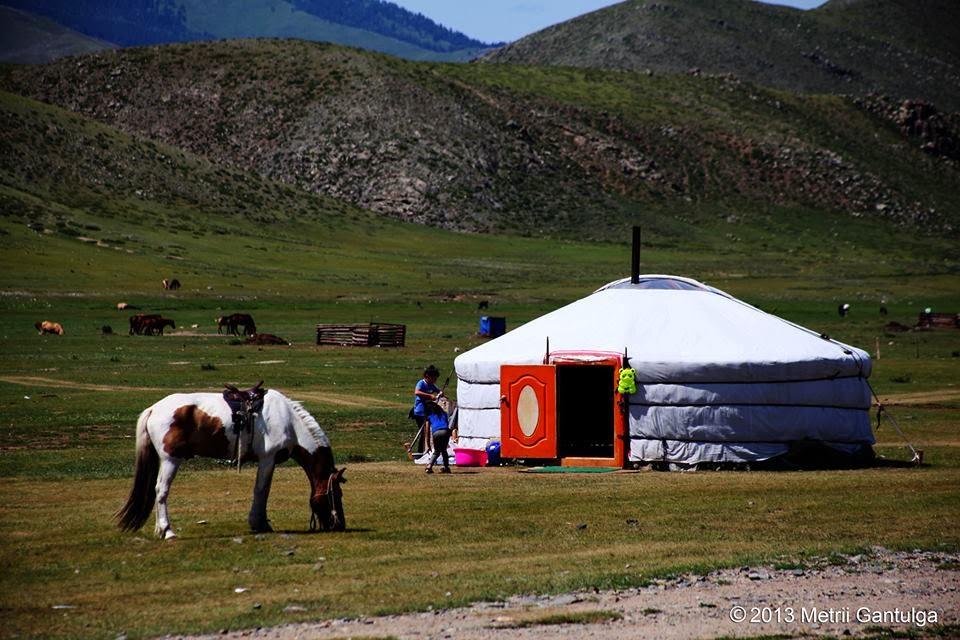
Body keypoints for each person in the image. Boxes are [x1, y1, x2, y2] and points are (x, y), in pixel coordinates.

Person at [412, 365, 441, 453]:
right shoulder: (421, 383)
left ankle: (427, 449)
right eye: (433, 379)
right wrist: (429, 396)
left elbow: (438, 390)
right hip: (420, 411)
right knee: (423, 432)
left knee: (427, 432)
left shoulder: (432, 385)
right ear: (427, 377)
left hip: (427, 411)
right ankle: (421, 451)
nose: (435, 381)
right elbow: (417, 392)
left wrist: (441, 393)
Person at [424, 401, 452, 474]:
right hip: (445, 431)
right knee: (444, 451)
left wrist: (428, 444)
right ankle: (446, 467)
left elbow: (427, 431)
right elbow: (447, 424)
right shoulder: (444, 414)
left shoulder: (430, 416)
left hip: (436, 433)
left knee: (437, 451)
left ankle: (429, 466)